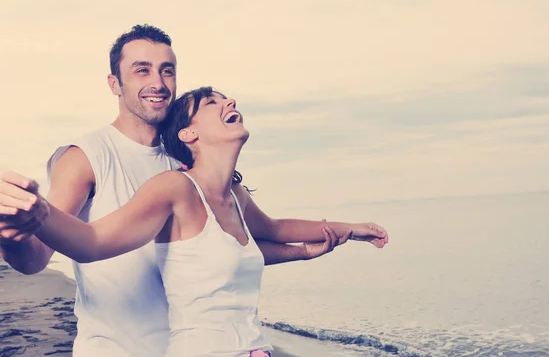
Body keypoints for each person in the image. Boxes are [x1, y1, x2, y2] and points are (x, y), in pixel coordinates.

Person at [0, 24, 387, 356]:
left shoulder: (188, 165)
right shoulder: (86, 157)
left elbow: (223, 252)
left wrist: (310, 247)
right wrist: (23, 221)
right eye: (142, 70)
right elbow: (37, 258)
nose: (157, 82)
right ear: (114, 84)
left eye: (167, 71)